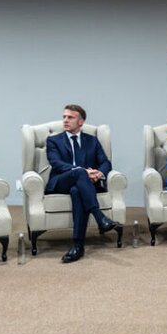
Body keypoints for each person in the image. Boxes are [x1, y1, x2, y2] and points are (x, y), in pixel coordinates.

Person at [44, 104, 120, 263]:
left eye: (70, 117)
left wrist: (99, 173)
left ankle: (78, 246)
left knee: (77, 191)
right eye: (64, 117)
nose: (65, 120)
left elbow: (105, 163)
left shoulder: (92, 141)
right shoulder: (54, 140)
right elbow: (56, 163)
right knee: (79, 172)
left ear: (81, 121)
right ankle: (100, 217)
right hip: (61, 182)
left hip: (84, 185)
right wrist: (84, 172)